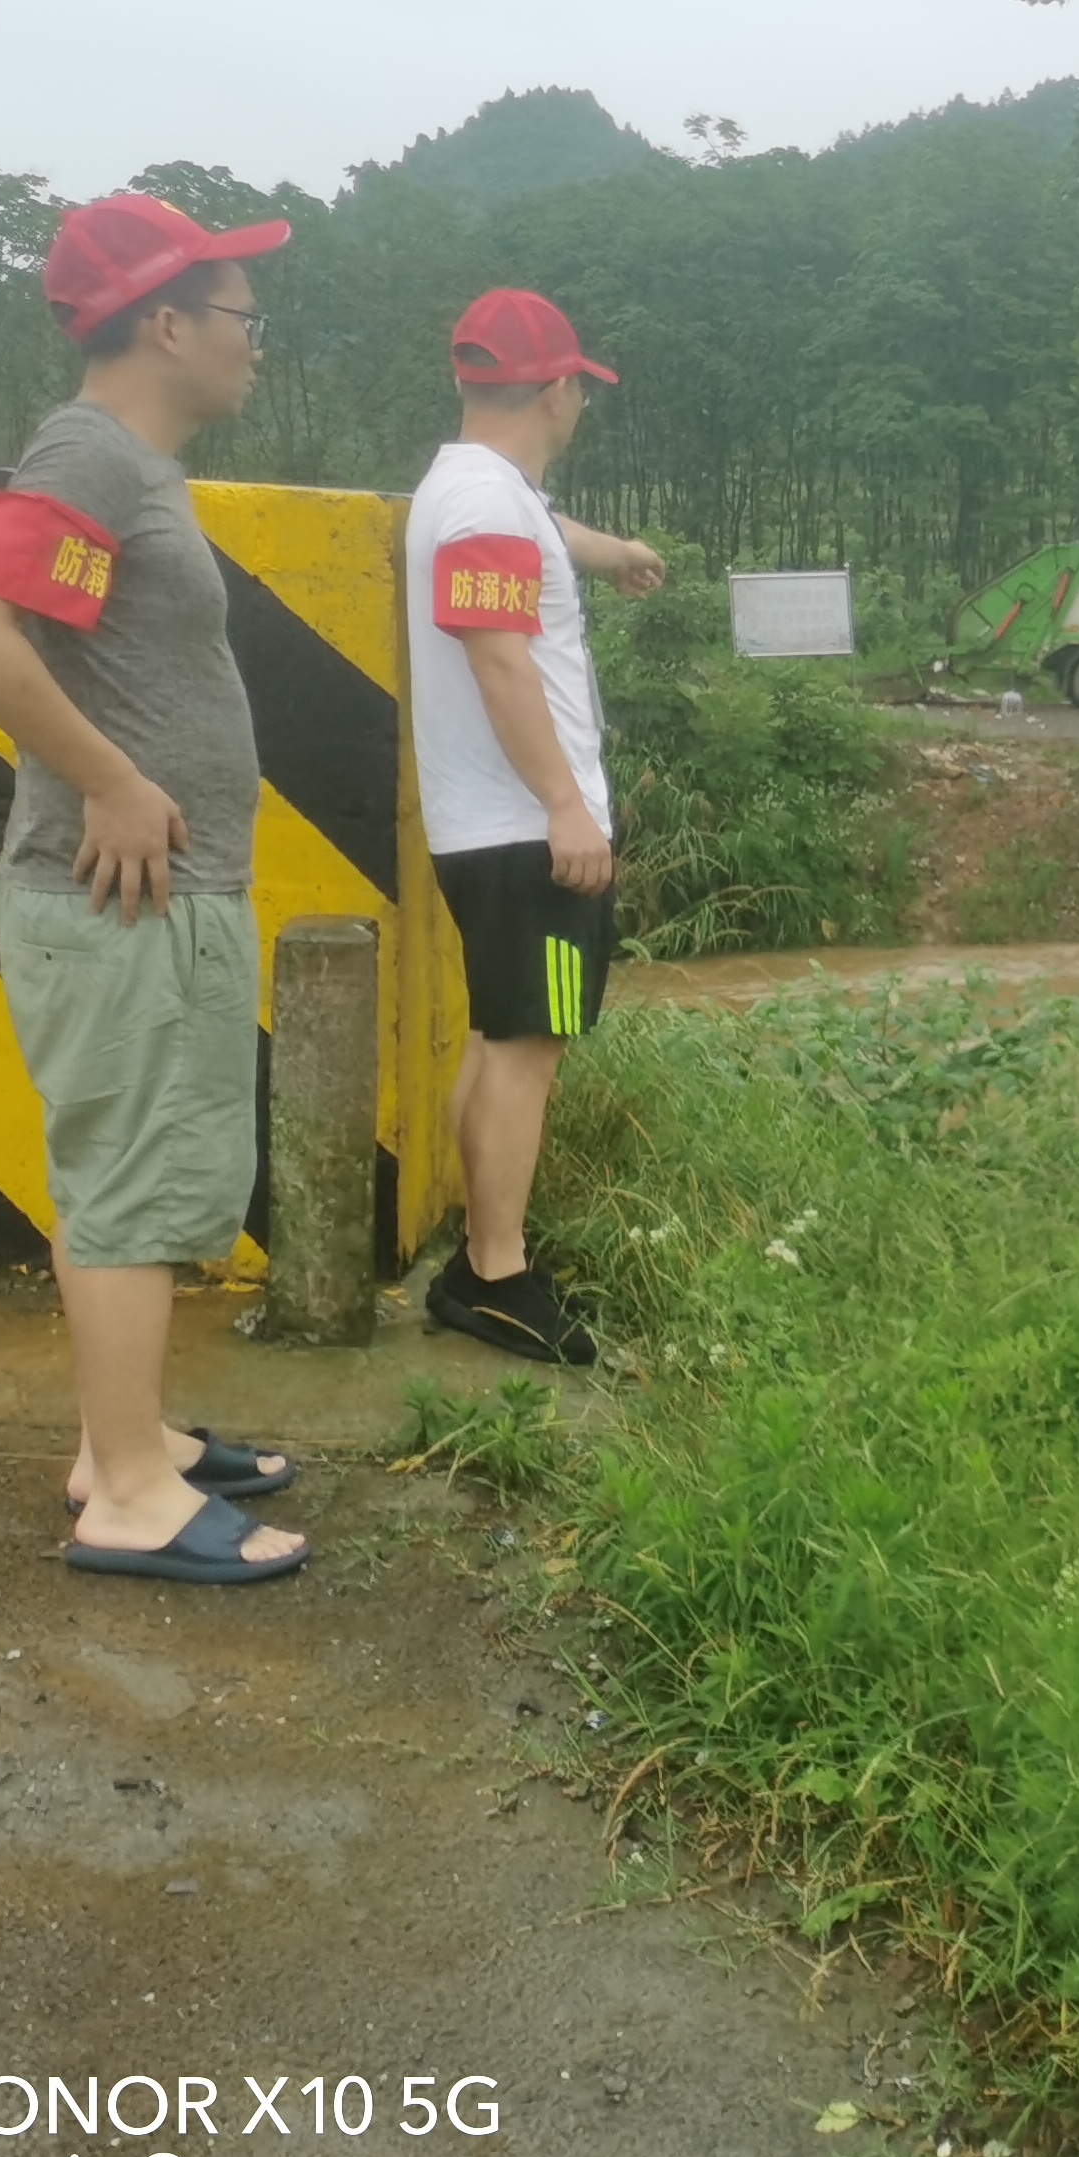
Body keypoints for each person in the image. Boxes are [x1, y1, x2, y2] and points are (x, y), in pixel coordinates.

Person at [0, 193, 309, 1586]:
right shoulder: (91, 453)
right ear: (165, 322)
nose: (255, 343)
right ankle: (132, 1497)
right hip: (119, 895)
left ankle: (122, 1438)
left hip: (151, 900)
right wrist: (112, 779)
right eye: (241, 318)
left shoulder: (127, 467)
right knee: (130, 1181)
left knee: (132, 1170)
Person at [405, 289, 665, 1365]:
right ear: (557, 390)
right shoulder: (485, 510)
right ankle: (495, 1278)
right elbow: (499, 657)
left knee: (499, 1037)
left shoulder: (468, 488)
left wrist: (604, 552)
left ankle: (484, 1251)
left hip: (492, 831)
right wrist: (567, 805)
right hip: (527, 833)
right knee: (529, 1048)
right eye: (577, 390)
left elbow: (536, 534)